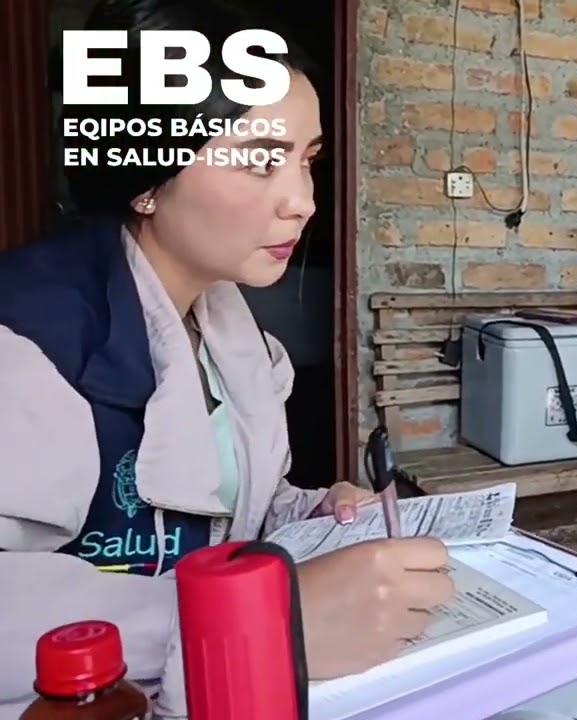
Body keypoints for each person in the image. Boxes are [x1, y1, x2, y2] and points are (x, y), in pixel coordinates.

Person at [0, 1, 454, 716]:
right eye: (260, 160)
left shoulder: (231, 331)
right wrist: (265, 621)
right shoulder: (29, 341)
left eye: (306, 161)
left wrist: (317, 509)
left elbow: (227, 509)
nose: (302, 202)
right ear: (145, 176)